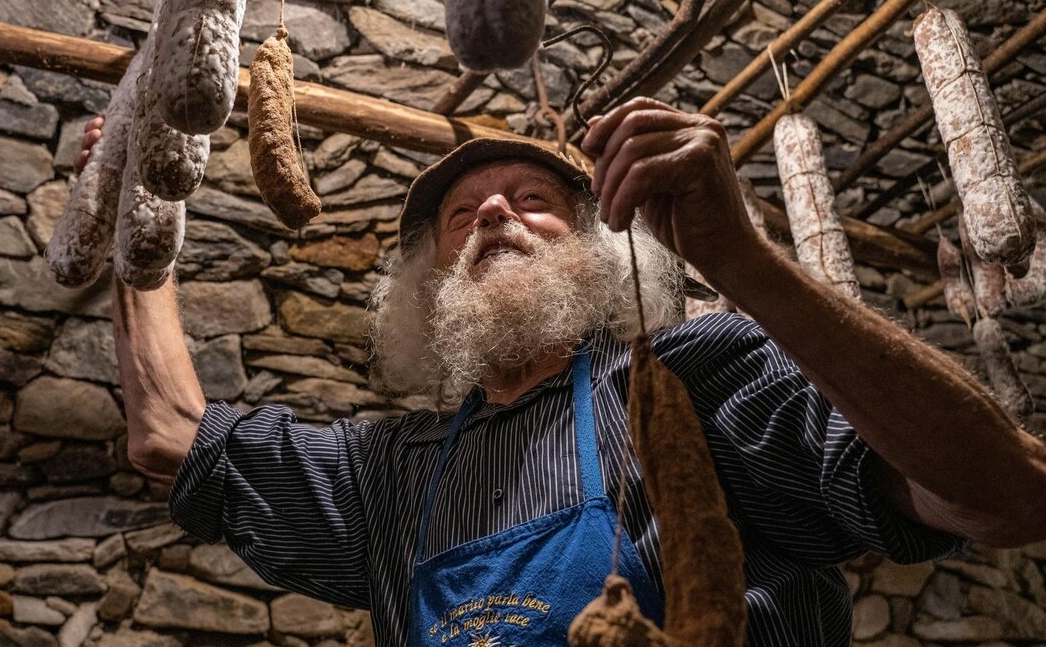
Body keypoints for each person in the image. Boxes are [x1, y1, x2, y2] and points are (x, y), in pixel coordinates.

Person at [79, 98, 1046, 646]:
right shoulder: (387, 469)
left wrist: (744, 261)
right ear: (427, 283)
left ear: (598, 242)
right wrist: (135, 210)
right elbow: (168, 429)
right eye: (462, 215)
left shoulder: (699, 378)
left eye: (531, 198)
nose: (493, 215)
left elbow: (1004, 497)